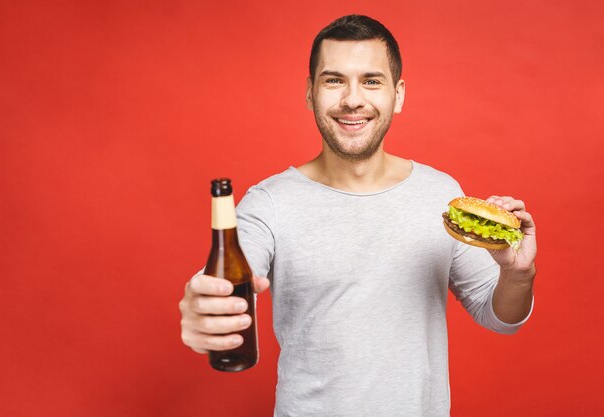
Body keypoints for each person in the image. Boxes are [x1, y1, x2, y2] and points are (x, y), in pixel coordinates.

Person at [179, 15, 536, 417]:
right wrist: (204, 308)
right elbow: (224, 277)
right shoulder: (268, 203)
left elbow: (501, 318)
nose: (352, 99)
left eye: (371, 80)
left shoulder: (441, 193)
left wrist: (518, 274)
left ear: (397, 95)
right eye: (333, 80)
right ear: (310, 93)